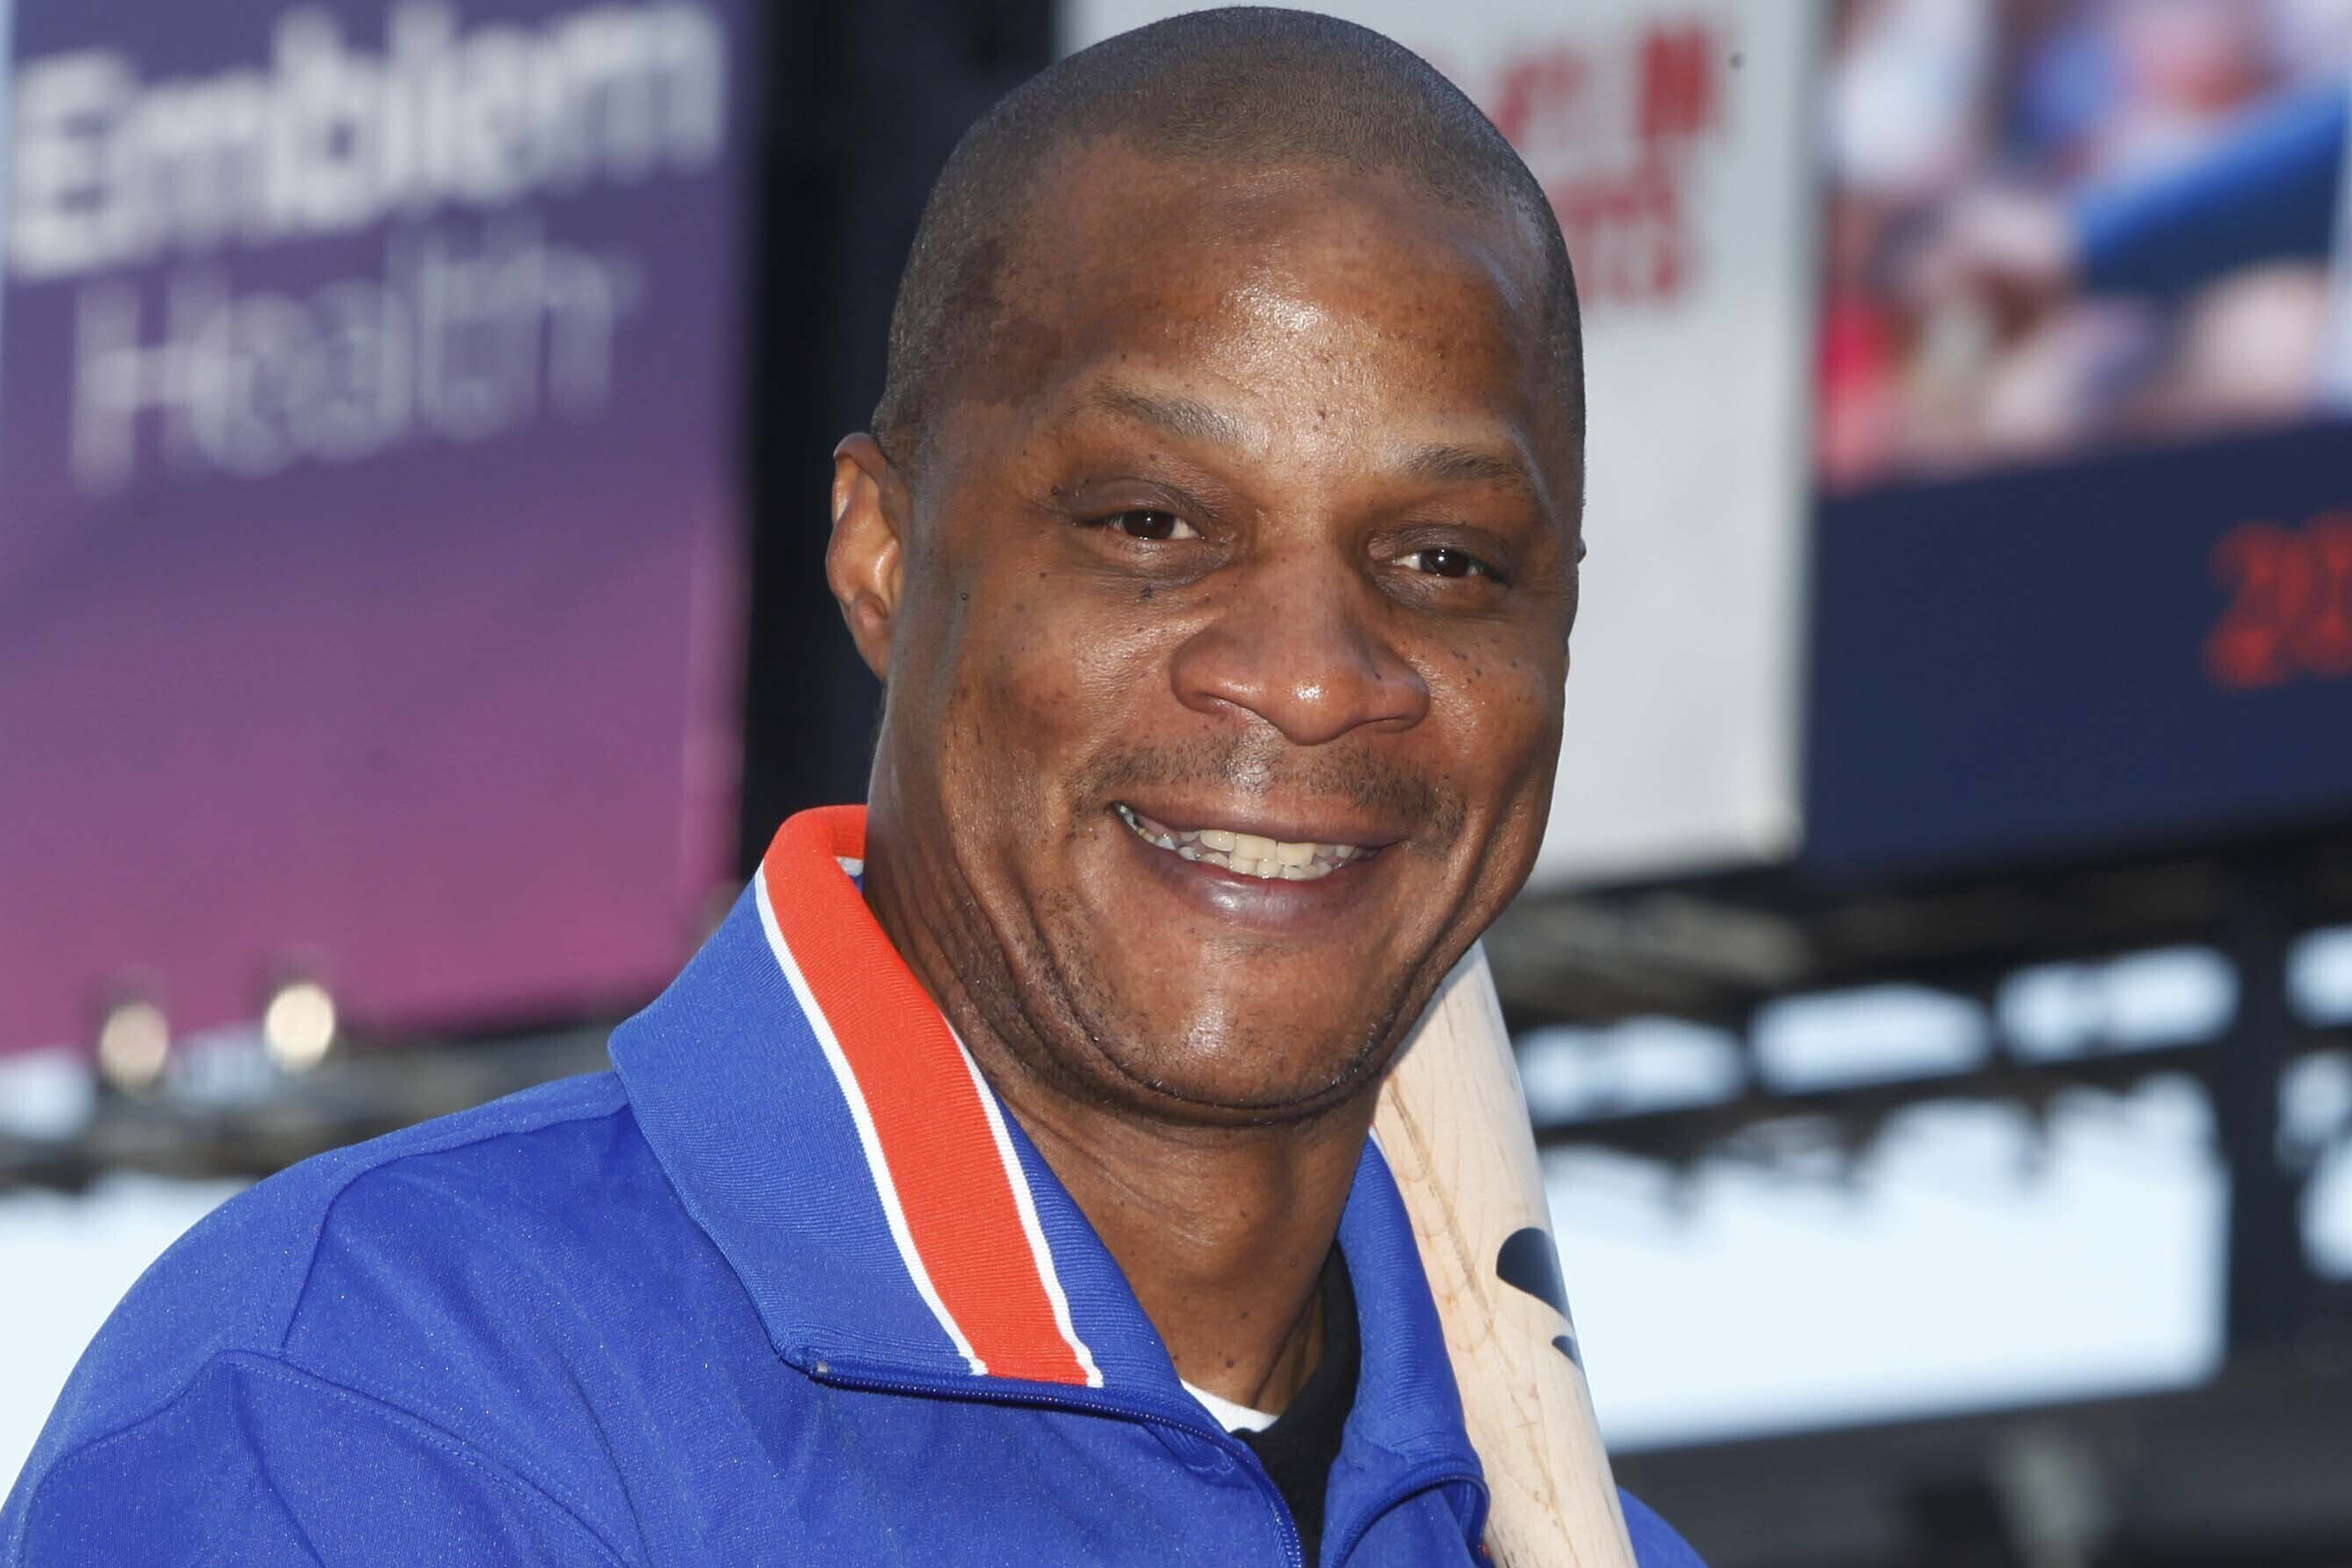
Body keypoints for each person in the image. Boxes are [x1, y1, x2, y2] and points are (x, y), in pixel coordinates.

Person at [2, 10, 1704, 1565]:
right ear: (882, 548)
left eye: (1444, 557)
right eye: (1152, 525)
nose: (1317, 674)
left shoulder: (1565, 1535)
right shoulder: (376, 1398)